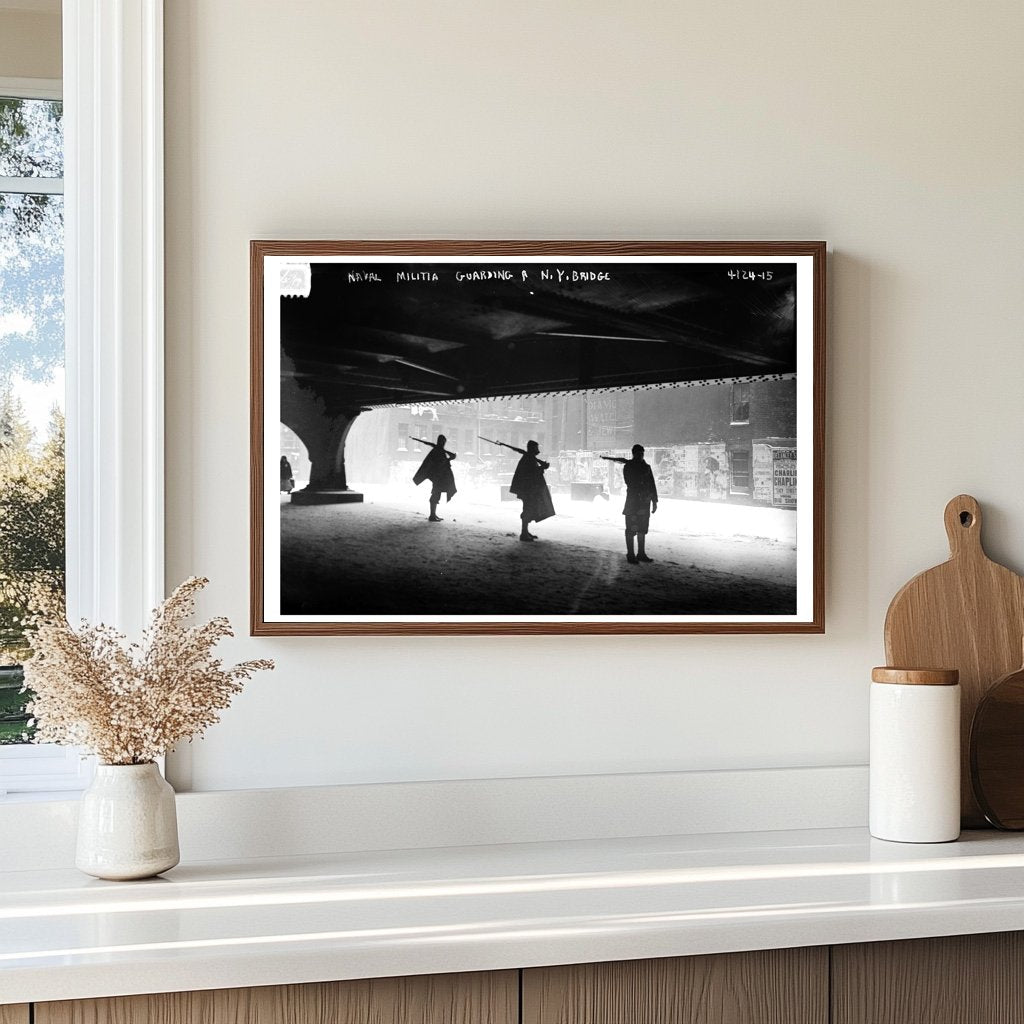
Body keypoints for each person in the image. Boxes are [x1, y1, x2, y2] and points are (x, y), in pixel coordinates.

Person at [510, 439, 555, 541]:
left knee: (528, 510)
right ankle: (524, 534)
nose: (537, 450)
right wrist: (542, 467)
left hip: (529, 490)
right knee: (527, 511)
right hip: (528, 490)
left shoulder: (530, 458)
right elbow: (531, 474)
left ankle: (525, 532)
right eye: (536, 447)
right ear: (532, 448)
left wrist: (541, 467)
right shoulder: (528, 459)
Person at [622, 444, 658, 564]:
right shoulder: (628, 467)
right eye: (638, 453)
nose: (640, 455)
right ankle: (631, 554)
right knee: (631, 529)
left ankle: (641, 553)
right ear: (633, 454)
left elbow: (652, 485)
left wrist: (654, 501)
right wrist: (636, 468)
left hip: (644, 503)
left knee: (642, 529)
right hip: (633, 502)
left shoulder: (646, 467)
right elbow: (630, 483)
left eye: (642, 453)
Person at [412, 434, 457, 521]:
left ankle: (433, 514)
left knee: (437, 495)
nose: (443, 443)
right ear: (440, 441)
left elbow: (444, 461)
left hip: (439, 477)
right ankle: (432, 516)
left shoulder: (440, 450)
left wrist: (449, 458)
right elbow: (438, 463)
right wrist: (448, 459)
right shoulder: (437, 451)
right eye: (442, 441)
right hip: (437, 477)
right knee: (435, 495)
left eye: (444, 442)